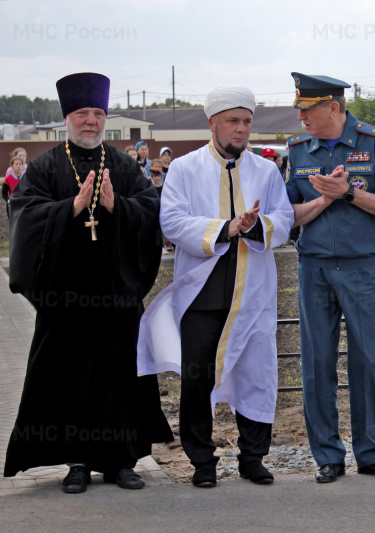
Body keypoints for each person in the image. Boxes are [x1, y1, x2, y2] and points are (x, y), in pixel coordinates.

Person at [3, 72, 173, 494]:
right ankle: (77, 461)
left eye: (98, 113)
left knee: (121, 378)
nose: (92, 121)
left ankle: (122, 462)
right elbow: (23, 220)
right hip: (66, 299)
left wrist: (120, 208)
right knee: (68, 378)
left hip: (116, 297)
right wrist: (70, 208)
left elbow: (151, 214)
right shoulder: (43, 168)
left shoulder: (123, 166)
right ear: (67, 118)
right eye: (83, 113)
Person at [137, 86, 294, 488]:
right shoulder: (185, 169)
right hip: (202, 294)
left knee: (255, 371)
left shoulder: (266, 170)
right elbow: (171, 221)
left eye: (246, 122)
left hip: (253, 293)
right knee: (197, 377)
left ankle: (253, 457)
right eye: (233, 121)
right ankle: (202, 461)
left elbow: (285, 218)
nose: (241, 129)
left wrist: (256, 225)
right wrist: (226, 227)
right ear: (213, 124)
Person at [285, 72, 375, 483]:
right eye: (300, 110)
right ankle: (327, 455)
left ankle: (371, 453)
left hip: (363, 268)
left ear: (333, 108)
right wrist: (322, 200)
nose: (301, 117)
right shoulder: (299, 148)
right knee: (317, 363)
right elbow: (288, 214)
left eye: (308, 110)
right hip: (315, 268)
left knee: (366, 360)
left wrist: (350, 194)